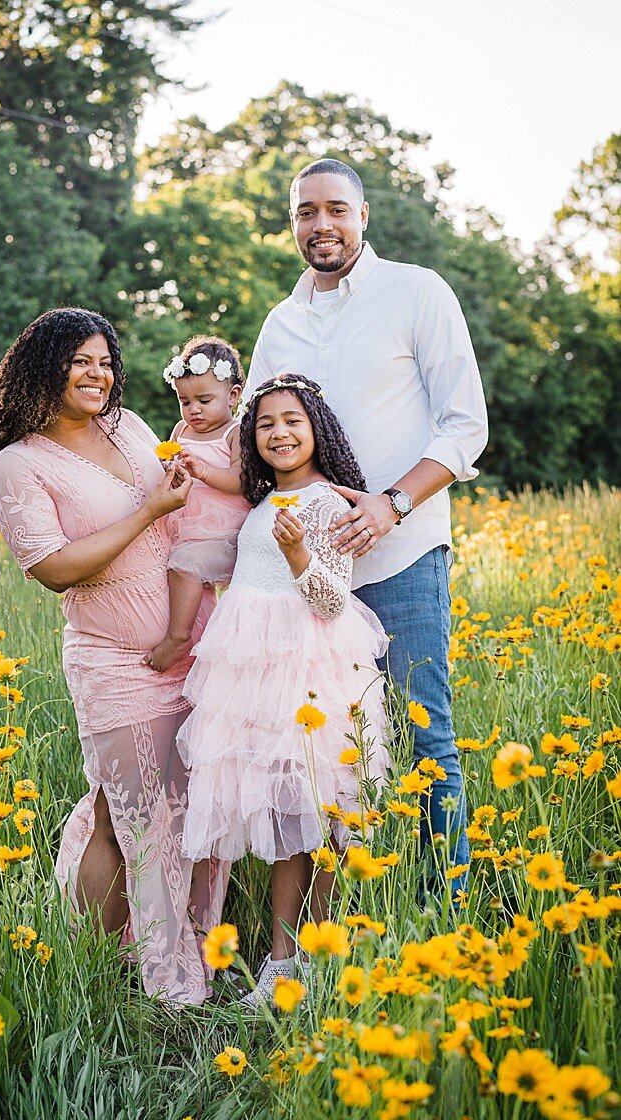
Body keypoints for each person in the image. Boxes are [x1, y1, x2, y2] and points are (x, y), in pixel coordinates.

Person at [0, 306, 228, 1006]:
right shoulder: (18, 463)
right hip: (115, 660)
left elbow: (191, 497)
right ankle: (123, 972)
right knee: (133, 816)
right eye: (80, 360)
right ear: (42, 367)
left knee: (187, 811)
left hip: (193, 643)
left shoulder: (129, 427)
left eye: (105, 360)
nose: (98, 373)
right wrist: (145, 512)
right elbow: (54, 567)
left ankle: (184, 951)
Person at [247, 157, 488, 891]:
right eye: (305, 212)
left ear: (363, 215)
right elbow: (250, 436)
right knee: (321, 751)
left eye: (336, 210)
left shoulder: (417, 291)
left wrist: (391, 503)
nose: (321, 225)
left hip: (403, 554)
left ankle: (445, 912)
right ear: (292, 223)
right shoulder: (281, 323)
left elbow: (464, 424)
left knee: (424, 738)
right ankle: (340, 924)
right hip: (306, 582)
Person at [177, 375, 389, 1003]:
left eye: (293, 420)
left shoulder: (328, 503)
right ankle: (279, 962)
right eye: (266, 423)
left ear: (316, 429)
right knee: (279, 820)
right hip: (254, 672)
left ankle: (318, 958)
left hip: (310, 668)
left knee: (321, 817)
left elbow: (328, 601)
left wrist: (299, 555)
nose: (280, 433)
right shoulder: (262, 503)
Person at [145, 335, 253, 673]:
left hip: (224, 530)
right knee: (176, 570)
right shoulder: (181, 429)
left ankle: (178, 637)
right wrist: (173, 471)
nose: (193, 410)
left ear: (233, 396)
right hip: (187, 524)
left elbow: (240, 480)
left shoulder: (235, 432)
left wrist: (204, 470)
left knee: (186, 565)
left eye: (204, 400)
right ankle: (202, 639)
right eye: (184, 400)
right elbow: (180, 470)